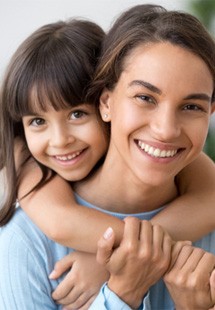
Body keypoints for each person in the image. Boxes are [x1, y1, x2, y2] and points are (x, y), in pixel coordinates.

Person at [0, 5, 215, 310]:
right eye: (145, 98)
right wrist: (122, 292)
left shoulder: (208, 203)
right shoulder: (26, 241)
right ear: (106, 103)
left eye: (192, 106)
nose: (166, 130)